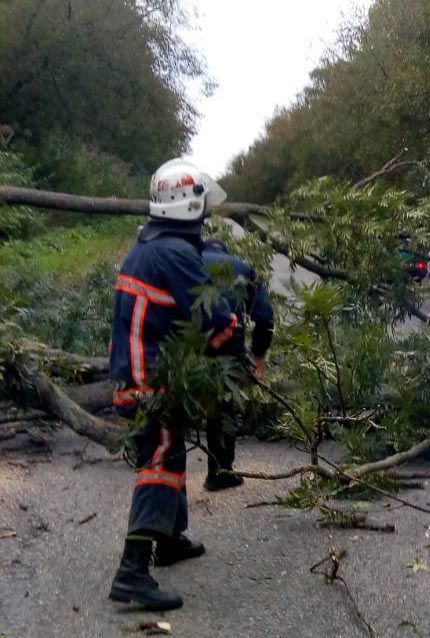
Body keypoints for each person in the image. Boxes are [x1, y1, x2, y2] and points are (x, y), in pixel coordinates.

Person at [107, 159, 238, 610]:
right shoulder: (176, 254)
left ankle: (171, 539)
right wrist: (233, 340)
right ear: (190, 207)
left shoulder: (148, 245)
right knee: (161, 459)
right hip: (151, 379)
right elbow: (219, 321)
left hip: (137, 369)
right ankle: (132, 572)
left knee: (173, 448)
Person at [200, 238, 274, 491]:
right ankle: (219, 473)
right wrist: (259, 362)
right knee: (222, 409)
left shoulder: (185, 261)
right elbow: (265, 318)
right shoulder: (243, 267)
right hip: (225, 346)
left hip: (183, 344)